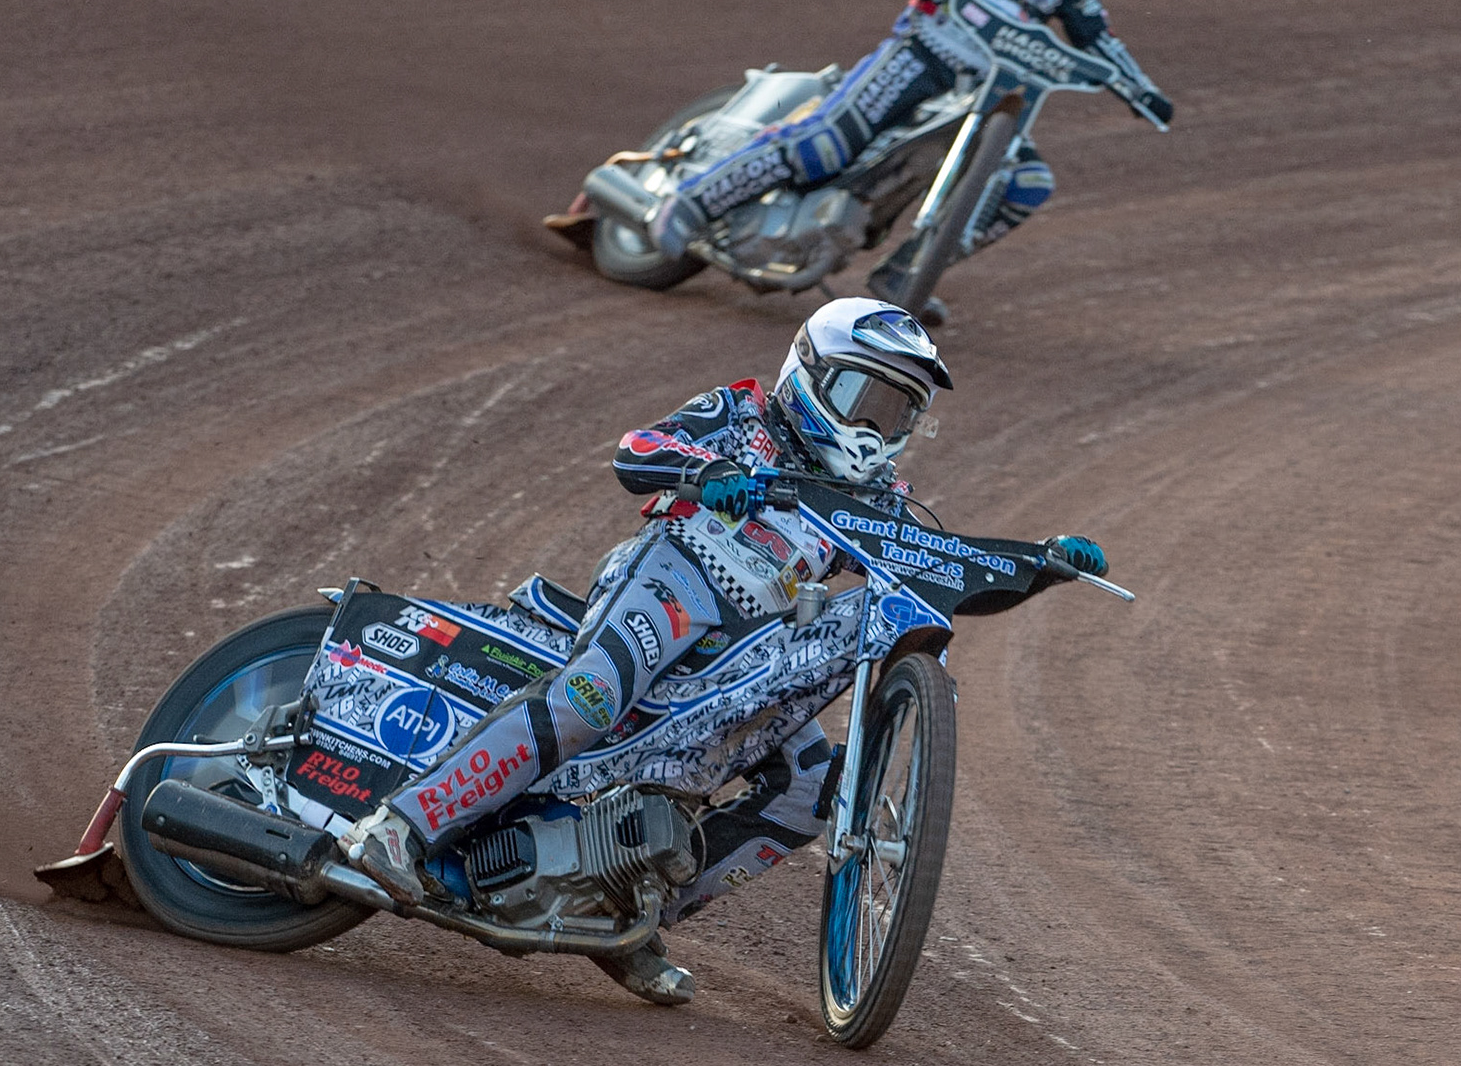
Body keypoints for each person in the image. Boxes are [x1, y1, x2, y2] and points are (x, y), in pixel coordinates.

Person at [340, 299, 1108, 1004]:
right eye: (861, 397)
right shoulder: (742, 413)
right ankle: (400, 827)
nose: (874, 426)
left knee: (810, 787)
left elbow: (935, 571)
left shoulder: (878, 501)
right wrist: (707, 471)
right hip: (676, 577)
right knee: (591, 696)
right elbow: (636, 449)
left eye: (897, 408)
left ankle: (630, 914)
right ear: (811, 374)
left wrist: (1039, 565)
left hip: (754, 645)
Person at [646, 0, 1172, 322]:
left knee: (1027, 184)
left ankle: (907, 275)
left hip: (988, 90)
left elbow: (1098, 39)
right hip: (920, 55)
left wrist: (1141, 90)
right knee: (828, 143)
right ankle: (694, 201)